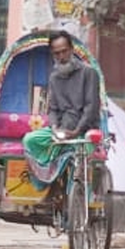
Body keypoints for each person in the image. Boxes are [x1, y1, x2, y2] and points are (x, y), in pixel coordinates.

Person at [21, 30, 101, 188]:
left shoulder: (88, 72)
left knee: (80, 165)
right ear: (53, 55)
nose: (61, 56)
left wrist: (77, 131)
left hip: (84, 132)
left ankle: (77, 199)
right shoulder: (54, 77)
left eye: (64, 51)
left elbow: (91, 107)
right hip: (62, 131)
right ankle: (45, 180)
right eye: (57, 53)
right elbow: (52, 109)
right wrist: (55, 128)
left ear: (72, 50)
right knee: (29, 140)